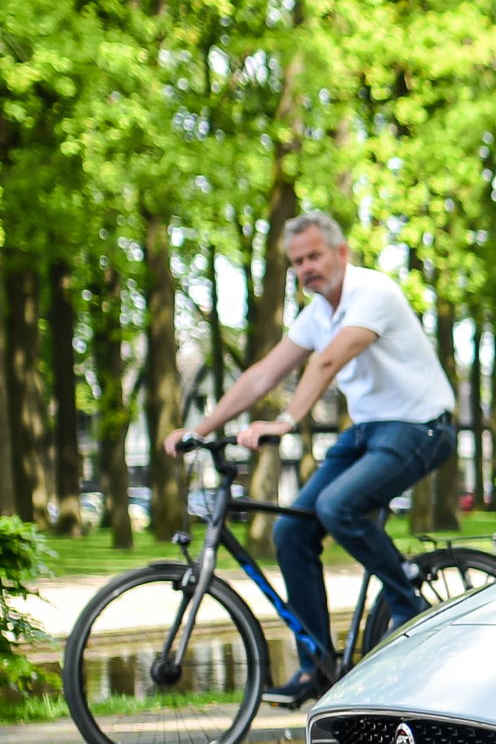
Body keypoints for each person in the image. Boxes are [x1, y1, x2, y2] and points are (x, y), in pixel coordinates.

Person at [167, 211, 457, 705]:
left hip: (421, 426)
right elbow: (262, 375)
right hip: (367, 430)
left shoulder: (373, 293)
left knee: (337, 505)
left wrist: (286, 420)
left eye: (314, 256)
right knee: (291, 530)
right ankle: (317, 667)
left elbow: (328, 360)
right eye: (297, 262)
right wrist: (199, 430)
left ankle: (410, 604)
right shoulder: (317, 313)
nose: (306, 268)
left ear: (341, 253)